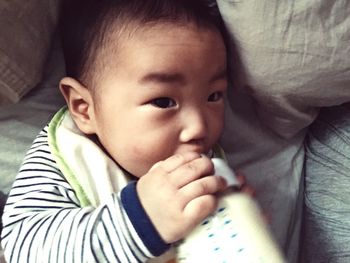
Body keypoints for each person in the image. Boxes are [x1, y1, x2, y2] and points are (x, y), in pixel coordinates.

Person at [1, 0, 232, 262]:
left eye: (213, 96)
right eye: (163, 102)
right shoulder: (65, 159)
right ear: (84, 108)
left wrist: (236, 222)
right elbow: (23, 249)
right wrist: (141, 220)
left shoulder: (204, 159)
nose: (199, 127)